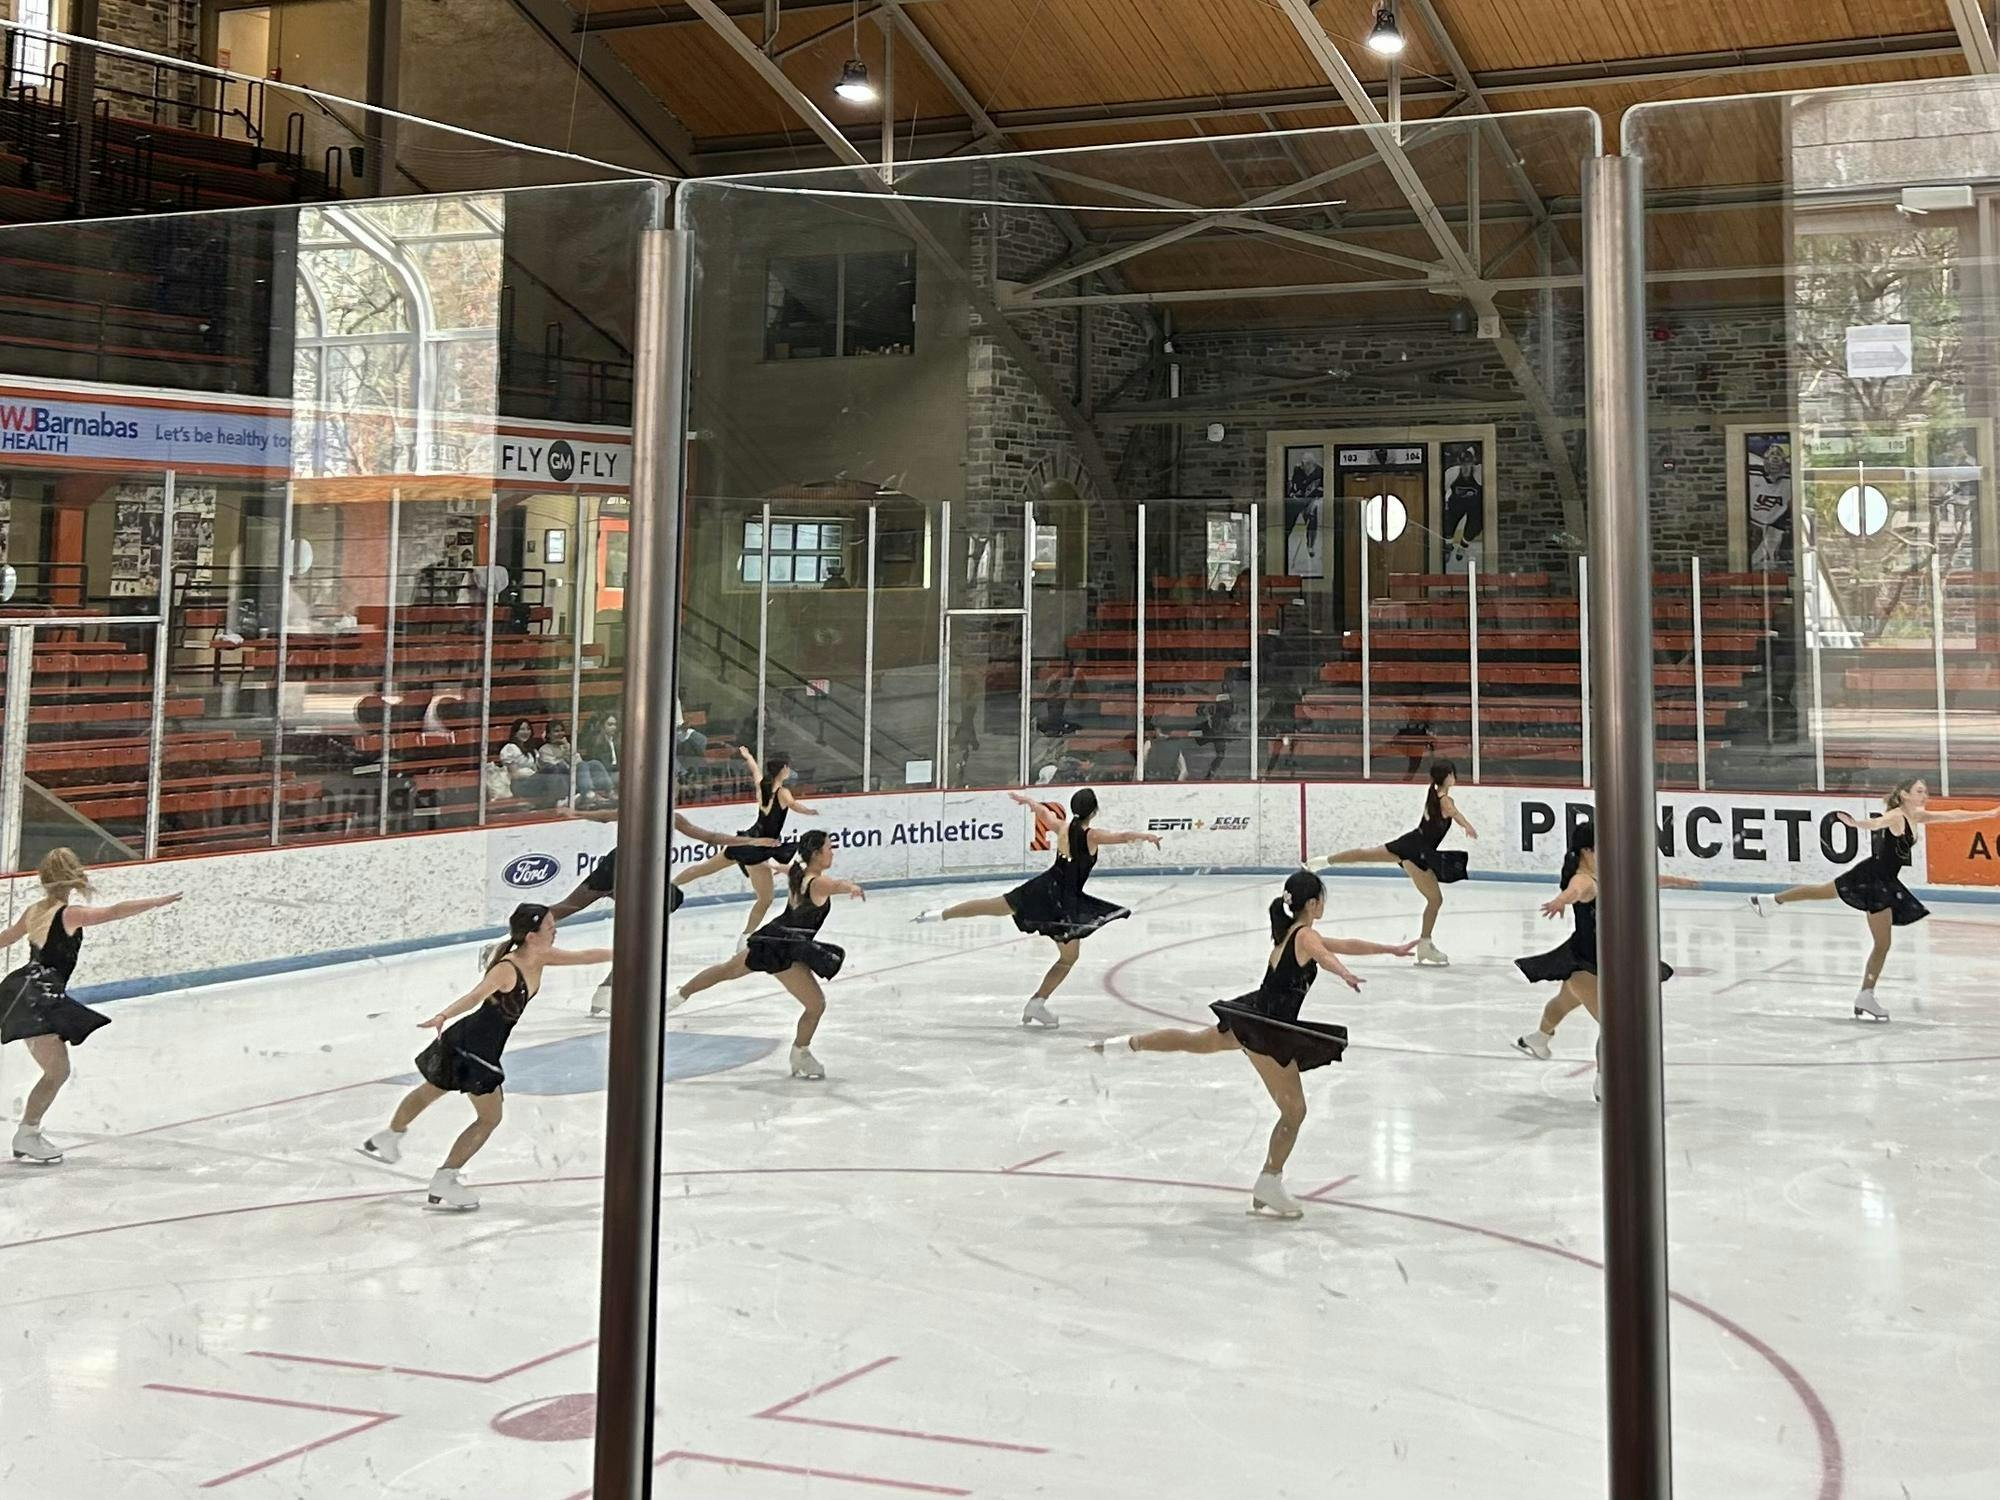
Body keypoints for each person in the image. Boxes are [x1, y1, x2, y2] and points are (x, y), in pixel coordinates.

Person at [1090, 870, 1414, 1217]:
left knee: (1196, 1042)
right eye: (1322, 898)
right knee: (1294, 1112)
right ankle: (1269, 1180)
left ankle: (1126, 1044)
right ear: (1312, 903)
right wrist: (1344, 973)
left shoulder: (1293, 933)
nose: (1324, 904)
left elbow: (1344, 945)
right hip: (1267, 1031)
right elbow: (1324, 955)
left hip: (1256, 1016)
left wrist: (1390, 949)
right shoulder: (1303, 936)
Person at [359, 903, 611, 1210]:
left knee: (431, 1090)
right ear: (532, 936)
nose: (555, 931)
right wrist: (443, 1015)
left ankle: (390, 1135)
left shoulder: (541, 956)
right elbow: (476, 995)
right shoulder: (508, 969)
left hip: (465, 1041)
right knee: (490, 1118)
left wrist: (626, 951)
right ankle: (444, 1180)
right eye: (549, 927)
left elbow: (584, 956)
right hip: (476, 1051)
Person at [1748, 777, 1999, 1021]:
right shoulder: (1897, 815)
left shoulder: (1916, 816)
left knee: (1823, 893)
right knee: (1880, 943)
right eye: (1920, 791)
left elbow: (1951, 815)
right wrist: (1856, 824)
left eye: (1925, 791)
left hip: (1880, 877)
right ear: (1905, 795)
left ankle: (1770, 900)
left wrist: (1987, 814)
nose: (1925, 795)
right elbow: (1877, 824)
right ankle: (1865, 995)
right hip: (1875, 880)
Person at [915, 788, 1160, 1028]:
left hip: (1042, 888)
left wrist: (1029, 801)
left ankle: (937, 915)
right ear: (1094, 811)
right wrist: (1148, 836)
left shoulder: (1063, 827)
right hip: (1063, 902)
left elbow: (1045, 814)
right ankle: (1037, 1003)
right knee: (1068, 959)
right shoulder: (1091, 836)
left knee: (993, 906)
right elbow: (1122, 836)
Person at [0, 850, 181, 1165]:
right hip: (39, 996)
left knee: (55, 1070)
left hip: (23, 988)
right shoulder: (70, 914)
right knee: (58, 1071)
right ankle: (27, 1133)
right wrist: (155, 901)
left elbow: (6, 937)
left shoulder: (34, 911)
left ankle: (28, 1132)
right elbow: (114, 911)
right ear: (74, 877)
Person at [1511, 823, 1698, 1099]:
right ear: (1588, 850)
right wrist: (1560, 900)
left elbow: (1641, 877)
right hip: (1589, 967)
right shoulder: (1585, 879)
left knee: (1563, 1002)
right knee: (1614, 1026)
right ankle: (1603, 1081)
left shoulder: (1603, 871)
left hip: (1590, 960)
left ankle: (1539, 1039)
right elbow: (1574, 890)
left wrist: (1678, 882)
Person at [670, 830, 863, 1080]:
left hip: (773, 936)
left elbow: (792, 869)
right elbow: (836, 885)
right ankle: (800, 1053)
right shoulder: (817, 882)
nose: (832, 852)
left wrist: (782, 868)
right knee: (816, 1005)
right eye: (829, 847)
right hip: (785, 946)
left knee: (727, 971)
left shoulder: (799, 872)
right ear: (816, 854)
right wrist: (852, 886)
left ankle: (678, 996)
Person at [547, 810, 776, 1017]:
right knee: (644, 926)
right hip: (633, 870)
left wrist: (751, 840)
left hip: (621, 865)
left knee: (573, 907)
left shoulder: (663, 813)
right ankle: (606, 990)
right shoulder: (659, 813)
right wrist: (575, 812)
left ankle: (605, 989)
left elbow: (710, 838)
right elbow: (710, 838)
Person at [1309, 760, 1476, 965]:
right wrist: (1468, 826)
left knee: (1366, 853)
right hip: (1417, 854)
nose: (1455, 777)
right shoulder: (1445, 800)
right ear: (1448, 776)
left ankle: (1323, 861)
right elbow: (1456, 814)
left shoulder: (1433, 793)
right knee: (1435, 900)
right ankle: (1425, 945)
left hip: (1411, 842)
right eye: (1453, 773)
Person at [671, 746, 818, 944]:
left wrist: (748, 756)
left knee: (705, 868)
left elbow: (755, 771)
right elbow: (793, 805)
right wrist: (810, 811)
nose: (789, 770)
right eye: (787, 767)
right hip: (758, 849)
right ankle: (746, 937)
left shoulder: (762, 787)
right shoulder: (783, 792)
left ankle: (669, 886)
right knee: (765, 899)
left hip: (746, 840)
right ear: (783, 769)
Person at [537, 719, 614, 808]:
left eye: (562, 730)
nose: (560, 733)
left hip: (575, 774)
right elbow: (553, 768)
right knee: (581, 766)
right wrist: (565, 756)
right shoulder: (544, 749)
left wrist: (567, 747)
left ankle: (609, 791)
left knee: (594, 763)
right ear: (549, 734)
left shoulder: (566, 745)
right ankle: (588, 793)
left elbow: (578, 760)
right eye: (556, 731)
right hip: (561, 778)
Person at [497, 717, 570, 809]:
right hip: (519, 785)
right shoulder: (510, 748)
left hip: (534, 782)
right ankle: (560, 799)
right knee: (552, 768)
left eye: (528, 729)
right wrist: (532, 774)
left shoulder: (532, 750)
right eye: (522, 729)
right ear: (515, 732)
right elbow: (514, 775)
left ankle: (563, 798)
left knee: (560, 767)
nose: (526, 732)